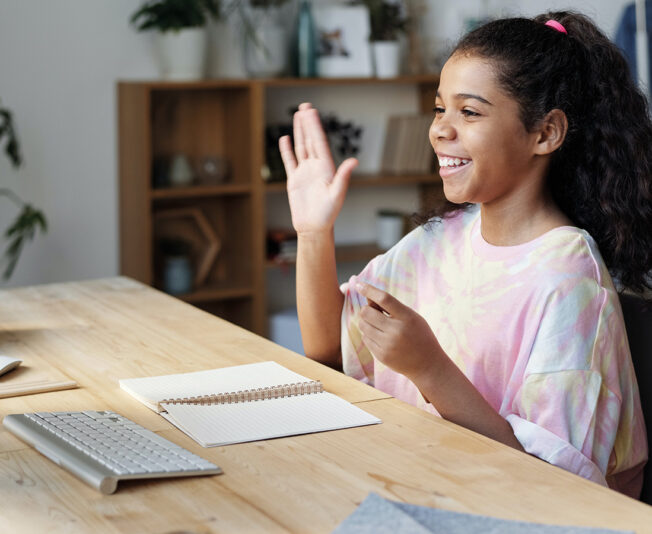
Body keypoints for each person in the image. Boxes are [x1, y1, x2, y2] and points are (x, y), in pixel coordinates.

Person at [278, 11, 652, 499]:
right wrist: (313, 232)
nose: (440, 131)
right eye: (439, 109)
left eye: (469, 112)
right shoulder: (438, 239)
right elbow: (328, 348)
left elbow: (553, 488)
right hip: (418, 485)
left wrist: (429, 368)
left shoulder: (570, 284)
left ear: (545, 134)